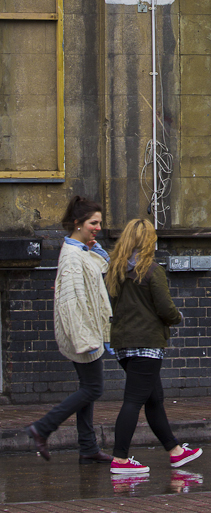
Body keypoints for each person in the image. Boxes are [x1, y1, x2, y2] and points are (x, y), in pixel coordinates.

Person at [105, 218, 203, 475]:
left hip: (123, 344)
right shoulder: (151, 270)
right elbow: (165, 307)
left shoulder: (116, 271)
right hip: (147, 344)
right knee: (133, 401)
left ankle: (175, 451)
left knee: (154, 399)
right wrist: (177, 317)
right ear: (148, 241)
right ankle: (120, 460)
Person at [26, 196, 113, 464]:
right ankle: (42, 428)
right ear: (78, 223)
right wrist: (84, 338)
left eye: (99, 223)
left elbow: (102, 267)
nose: (98, 227)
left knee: (88, 387)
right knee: (93, 389)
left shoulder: (80, 250)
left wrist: (94, 247)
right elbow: (71, 302)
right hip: (84, 333)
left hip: (89, 330)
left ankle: (88, 447)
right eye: (93, 223)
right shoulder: (73, 256)